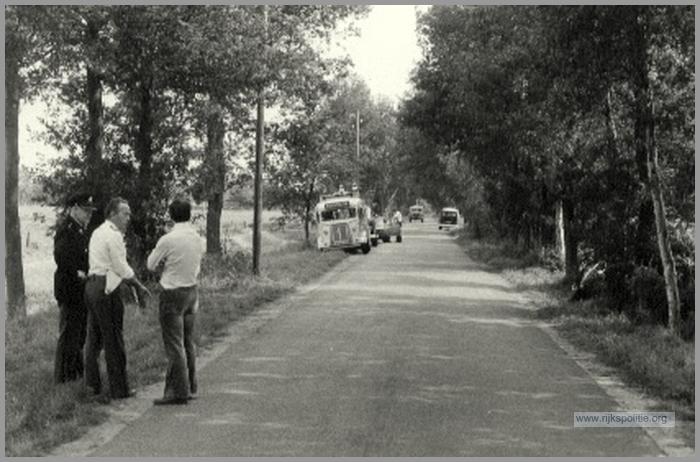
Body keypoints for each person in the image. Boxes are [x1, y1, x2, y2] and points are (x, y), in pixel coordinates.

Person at [84, 197, 150, 400]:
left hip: (93, 285)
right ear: (112, 214)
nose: (128, 218)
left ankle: (92, 387)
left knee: (94, 339)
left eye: (129, 214)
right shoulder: (113, 235)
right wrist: (138, 285)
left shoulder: (98, 232)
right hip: (106, 287)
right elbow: (120, 266)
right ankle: (119, 389)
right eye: (125, 213)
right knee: (113, 339)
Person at [147, 199, 205, 405]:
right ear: (189, 214)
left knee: (174, 344)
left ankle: (178, 391)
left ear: (171, 215)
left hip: (172, 291)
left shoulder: (168, 239)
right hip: (191, 290)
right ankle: (190, 385)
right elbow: (198, 263)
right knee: (188, 341)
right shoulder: (197, 238)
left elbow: (150, 265)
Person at [53, 192, 96, 384]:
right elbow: (61, 256)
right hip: (69, 288)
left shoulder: (80, 229)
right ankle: (63, 377)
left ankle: (75, 373)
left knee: (78, 335)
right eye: (85, 211)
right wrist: (77, 272)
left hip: (79, 289)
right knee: (69, 333)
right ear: (74, 209)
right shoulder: (67, 229)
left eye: (90, 211)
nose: (89, 215)